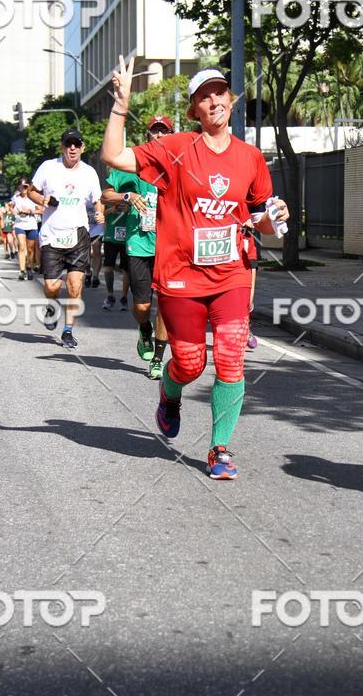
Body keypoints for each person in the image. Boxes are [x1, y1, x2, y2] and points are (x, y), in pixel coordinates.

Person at [101, 60, 289, 480]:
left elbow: (260, 217)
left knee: (230, 357)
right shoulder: (175, 148)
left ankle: (219, 449)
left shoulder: (251, 158)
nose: (214, 100)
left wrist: (275, 217)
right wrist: (121, 104)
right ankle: (170, 394)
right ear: (194, 109)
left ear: (231, 100)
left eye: (220, 91)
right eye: (204, 95)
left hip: (231, 275)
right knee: (189, 363)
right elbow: (112, 155)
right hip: (181, 275)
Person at [101, 115, 172, 379]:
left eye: (164, 131)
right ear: (148, 135)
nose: (160, 135)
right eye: (155, 131)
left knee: (165, 305)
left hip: (170, 246)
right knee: (142, 307)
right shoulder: (130, 164)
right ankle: (144, 332)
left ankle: (158, 358)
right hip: (139, 244)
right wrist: (127, 196)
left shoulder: (177, 166)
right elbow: (105, 195)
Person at [28, 129, 104, 348]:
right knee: (52, 286)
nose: (72, 148)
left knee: (75, 285)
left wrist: (99, 212)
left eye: (77, 144)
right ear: (62, 146)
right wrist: (43, 199)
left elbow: (97, 200)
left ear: (82, 147)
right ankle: (51, 306)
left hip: (78, 233)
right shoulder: (48, 167)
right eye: (68, 144)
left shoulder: (89, 172)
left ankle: (68, 330)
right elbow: (31, 191)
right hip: (52, 234)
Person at [101, 193, 130, 311]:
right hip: (110, 236)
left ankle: (124, 297)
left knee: (126, 269)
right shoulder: (109, 194)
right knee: (108, 266)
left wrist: (129, 209)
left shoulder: (132, 194)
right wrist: (111, 210)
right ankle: (110, 295)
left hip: (126, 236)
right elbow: (101, 215)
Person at [12, 178, 39, 280]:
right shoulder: (16, 197)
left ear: (29, 187)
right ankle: (22, 270)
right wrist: (14, 211)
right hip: (20, 225)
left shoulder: (33, 197)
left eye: (26, 186)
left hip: (31, 225)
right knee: (22, 246)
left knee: (31, 250)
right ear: (19, 187)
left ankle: (29, 267)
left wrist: (30, 211)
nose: (23, 188)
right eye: (21, 186)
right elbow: (10, 206)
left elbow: (42, 210)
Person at [85, 202, 103, 289]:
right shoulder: (82, 193)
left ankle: (95, 276)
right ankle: (88, 272)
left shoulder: (99, 195)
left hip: (97, 227)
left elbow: (102, 210)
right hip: (85, 227)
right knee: (86, 252)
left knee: (97, 250)